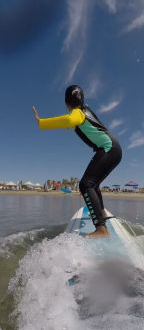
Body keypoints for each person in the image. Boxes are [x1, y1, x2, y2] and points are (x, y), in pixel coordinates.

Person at [33, 85, 122, 238]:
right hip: (113, 148)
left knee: (85, 184)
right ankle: (101, 214)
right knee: (93, 184)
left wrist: (42, 122)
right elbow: (74, 120)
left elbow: (69, 120)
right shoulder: (85, 110)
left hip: (108, 148)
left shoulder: (78, 113)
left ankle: (101, 228)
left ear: (67, 102)